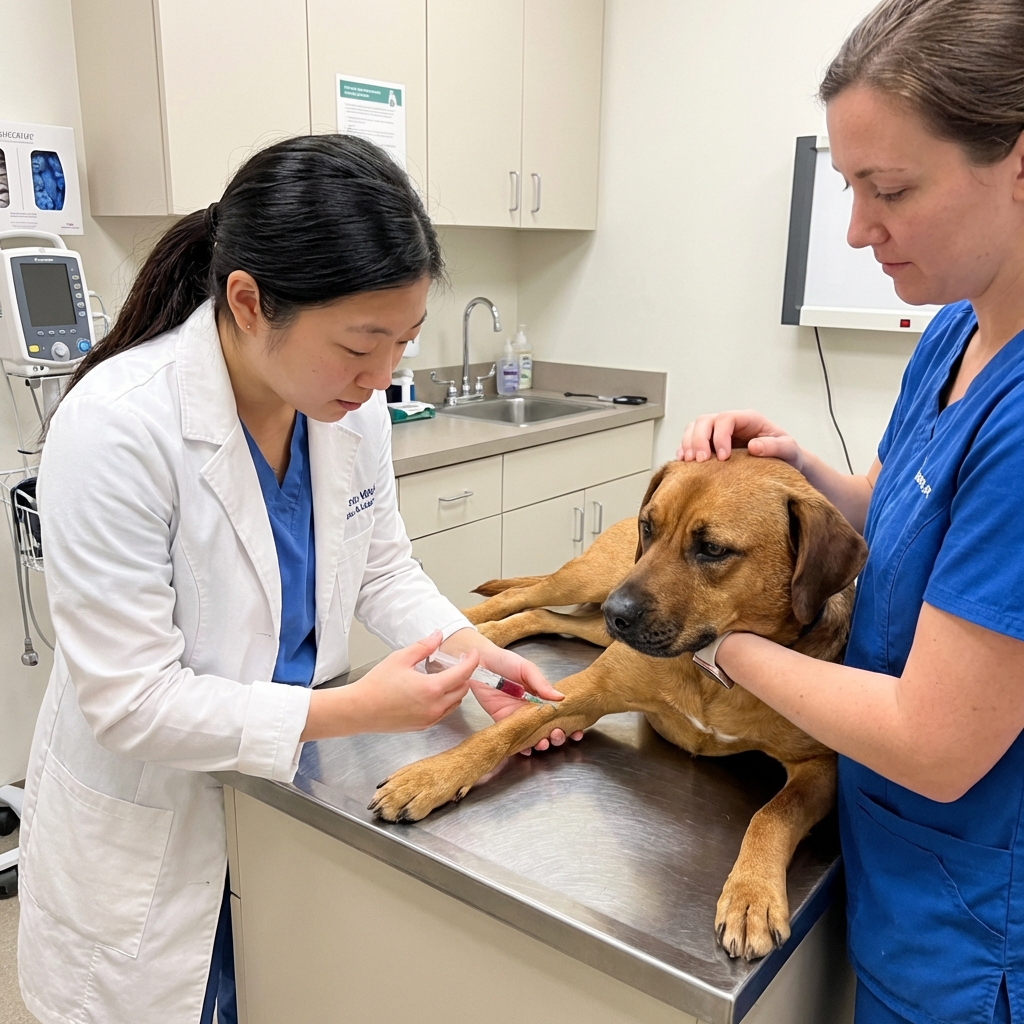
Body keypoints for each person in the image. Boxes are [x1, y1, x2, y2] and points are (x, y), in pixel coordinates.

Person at [16, 134, 577, 1024]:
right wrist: (359, 711)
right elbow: (128, 701)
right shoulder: (118, 427)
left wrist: (473, 656)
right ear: (247, 301)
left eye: (403, 342)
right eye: (361, 343)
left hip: (277, 798)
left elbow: (381, 565)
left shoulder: (348, 413)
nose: (384, 374)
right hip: (152, 822)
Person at [678, 2, 1024, 1022]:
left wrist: (718, 643)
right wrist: (799, 474)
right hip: (895, 869)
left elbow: (934, 740)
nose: (856, 230)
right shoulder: (953, 331)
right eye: (848, 187)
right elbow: (900, 510)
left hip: (973, 932)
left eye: (890, 190)